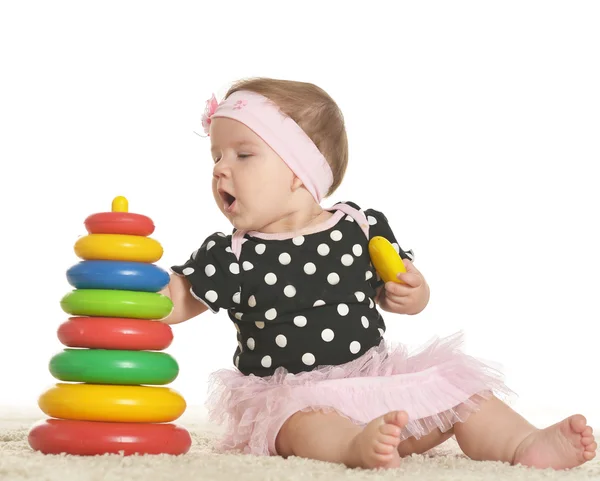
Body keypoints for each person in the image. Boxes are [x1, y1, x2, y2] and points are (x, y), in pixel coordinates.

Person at [160, 77, 596, 470]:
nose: (220, 168)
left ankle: (523, 443)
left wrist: (413, 292)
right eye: (216, 155)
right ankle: (355, 448)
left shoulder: (359, 227)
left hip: (376, 384)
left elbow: (400, 282)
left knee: (462, 392)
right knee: (299, 426)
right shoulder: (231, 253)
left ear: (299, 173)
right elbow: (178, 299)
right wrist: (130, 288)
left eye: (243, 154)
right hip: (291, 394)